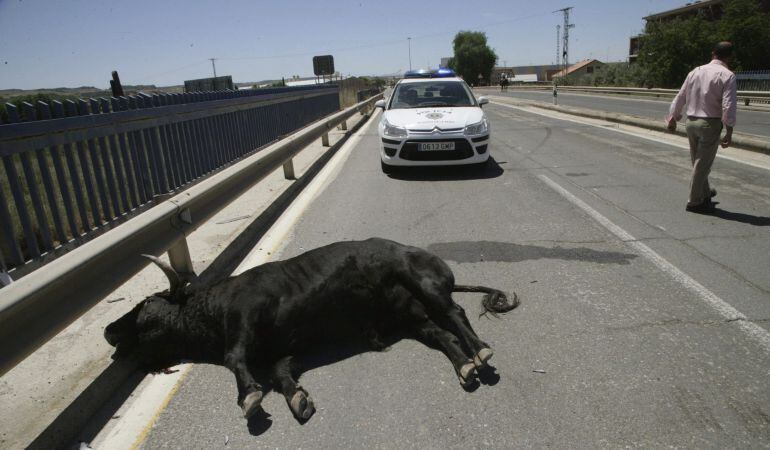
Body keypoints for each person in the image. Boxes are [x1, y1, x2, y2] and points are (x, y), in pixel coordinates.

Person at [667, 41, 737, 214]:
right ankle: (694, 201)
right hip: (710, 123)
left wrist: (673, 117)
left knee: (698, 162)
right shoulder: (727, 75)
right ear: (729, 57)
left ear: (713, 53)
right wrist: (729, 130)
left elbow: (681, 95)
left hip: (691, 122)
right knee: (702, 164)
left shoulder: (695, 71)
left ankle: (705, 193)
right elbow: (728, 105)